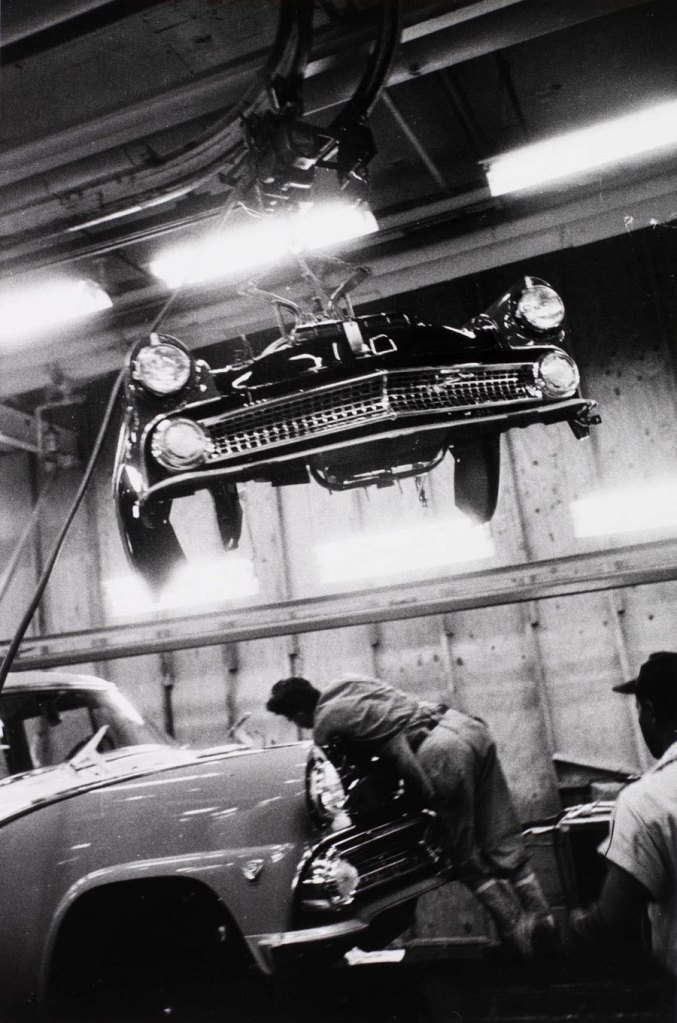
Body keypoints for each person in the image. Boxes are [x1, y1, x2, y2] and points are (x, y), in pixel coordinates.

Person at [266, 674, 553, 956]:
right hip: (465, 727)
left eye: (292, 719)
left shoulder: (325, 726)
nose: (298, 725)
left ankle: (517, 935)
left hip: (442, 753)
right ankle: (544, 921)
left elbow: (378, 764)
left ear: (300, 711)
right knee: (501, 834)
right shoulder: (346, 683)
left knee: (462, 855)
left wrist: (413, 797)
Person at [569, 651, 677, 994]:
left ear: (651, 711)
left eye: (639, 710)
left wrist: (554, 931)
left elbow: (611, 920)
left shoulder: (648, 799)